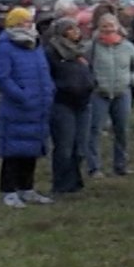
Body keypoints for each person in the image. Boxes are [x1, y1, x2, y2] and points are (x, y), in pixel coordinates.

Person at [0, 7, 54, 207]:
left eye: (30, 21)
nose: (29, 24)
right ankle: (8, 190)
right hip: (17, 107)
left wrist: (49, 90)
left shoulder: (35, 44)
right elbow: (1, 77)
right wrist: (21, 95)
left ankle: (27, 188)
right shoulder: (6, 46)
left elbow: (43, 70)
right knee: (13, 150)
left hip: (38, 107)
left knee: (31, 149)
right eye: (25, 21)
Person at [86, 16, 134, 178]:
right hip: (98, 94)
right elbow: (84, 68)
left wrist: (132, 80)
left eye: (111, 26)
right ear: (98, 28)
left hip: (122, 93)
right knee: (95, 129)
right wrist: (92, 83)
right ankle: (94, 167)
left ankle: (121, 165)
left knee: (122, 130)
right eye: (104, 26)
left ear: (118, 27)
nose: (108, 29)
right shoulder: (92, 47)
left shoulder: (128, 47)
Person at [44, 16, 94, 196]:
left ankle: (75, 181)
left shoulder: (82, 51)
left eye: (76, 28)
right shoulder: (52, 52)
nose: (76, 32)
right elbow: (47, 77)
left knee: (80, 146)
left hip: (84, 102)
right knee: (64, 146)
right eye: (71, 29)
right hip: (62, 103)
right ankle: (60, 184)